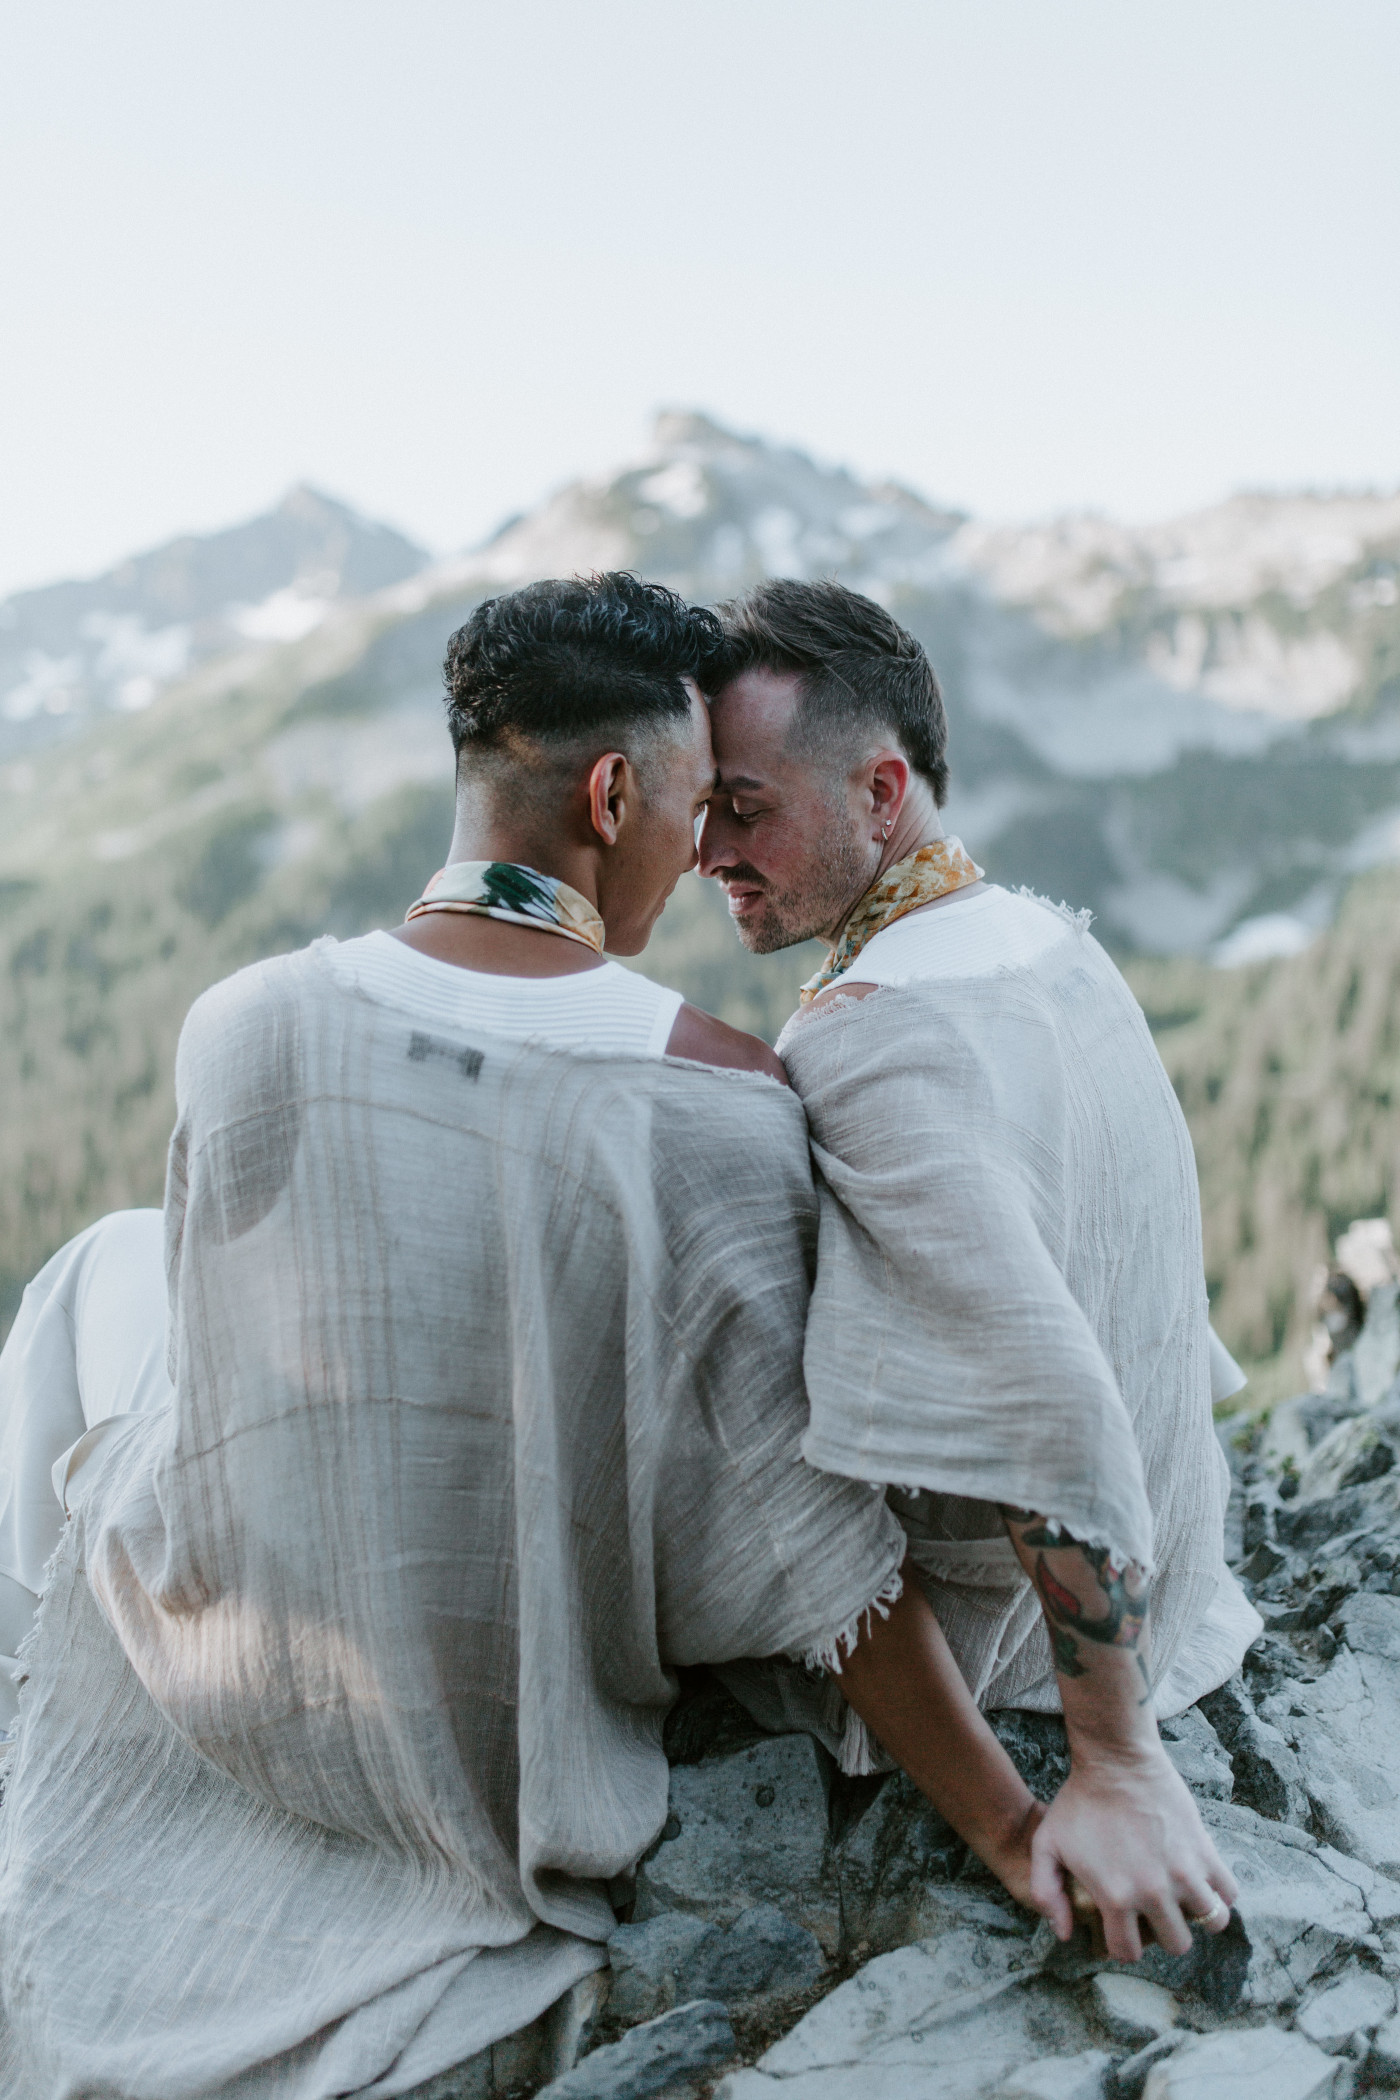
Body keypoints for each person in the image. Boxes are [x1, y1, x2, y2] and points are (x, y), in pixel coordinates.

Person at [0, 573, 1159, 2100]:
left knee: (93, 1276)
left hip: (244, 1619)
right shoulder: (725, 1101)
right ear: (614, 794)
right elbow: (808, 1544)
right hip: (505, 1671)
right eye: (694, 810)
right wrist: (1018, 1820)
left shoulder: (241, 1024)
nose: (703, 857)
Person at [698, 577, 1259, 1966]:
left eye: (745, 806)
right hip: (1182, 1554)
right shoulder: (1043, 940)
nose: (707, 846)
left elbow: (1050, 1411)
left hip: (1006, 1641)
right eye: (698, 806)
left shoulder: (878, 1039)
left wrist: (1112, 1759)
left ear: (882, 794)